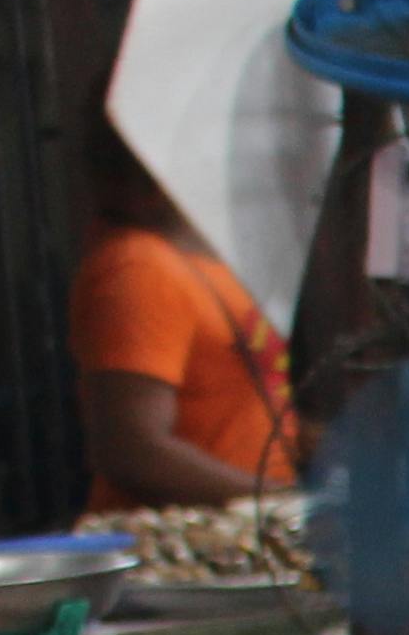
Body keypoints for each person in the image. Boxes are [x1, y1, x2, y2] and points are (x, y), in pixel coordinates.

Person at [72, 115, 298, 510]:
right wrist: (281, 500)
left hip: (249, 525)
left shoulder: (209, 259)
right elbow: (131, 449)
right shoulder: (141, 266)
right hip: (193, 540)